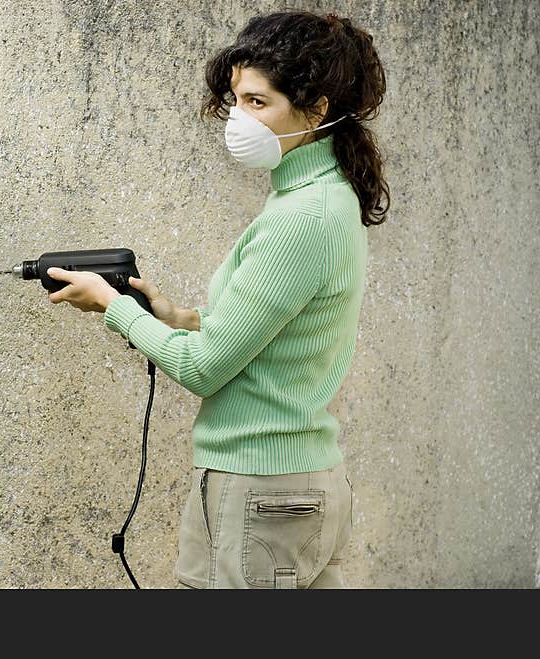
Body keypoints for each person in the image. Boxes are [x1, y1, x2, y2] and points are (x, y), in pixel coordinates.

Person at [46, 10, 388, 588]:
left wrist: (114, 307)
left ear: (317, 108)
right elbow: (283, 330)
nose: (238, 118)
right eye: (235, 100)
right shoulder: (320, 197)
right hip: (291, 486)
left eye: (259, 102)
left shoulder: (301, 218)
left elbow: (202, 369)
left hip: (262, 491)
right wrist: (180, 318)